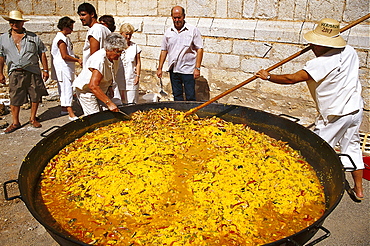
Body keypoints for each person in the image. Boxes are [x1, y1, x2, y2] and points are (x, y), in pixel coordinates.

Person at [255, 18, 365, 201]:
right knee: (352, 146)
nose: (312, 46)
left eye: (317, 44)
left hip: (335, 114)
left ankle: (304, 192)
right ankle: (359, 190)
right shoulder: (350, 51)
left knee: (314, 151)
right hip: (355, 109)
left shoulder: (321, 63)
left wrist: (268, 77)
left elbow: (292, 78)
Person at [0, 10, 49, 133]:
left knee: (35, 95)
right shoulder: (3, 38)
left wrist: (45, 69)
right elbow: (1, 57)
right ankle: (15, 122)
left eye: (17, 22)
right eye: (12, 22)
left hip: (32, 70)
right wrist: (0, 73)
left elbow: (42, 53)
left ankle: (33, 118)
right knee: (15, 97)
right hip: (15, 72)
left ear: (22, 22)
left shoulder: (33, 37)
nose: (14, 24)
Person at [77, 3, 122, 105]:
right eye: (80, 15)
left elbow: (94, 56)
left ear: (92, 14)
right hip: (103, 75)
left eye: (83, 15)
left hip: (95, 76)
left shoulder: (95, 30)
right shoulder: (104, 29)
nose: (81, 18)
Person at [156, 6, 203, 101]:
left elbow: (200, 49)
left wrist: (197, 68)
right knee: (177, 95)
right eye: (174, 18)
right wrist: (160, 68)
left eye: (179, 17)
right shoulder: (169, 32)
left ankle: (191, 115)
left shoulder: (192, 30)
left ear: (184, 16)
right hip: (174, 69)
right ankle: (179, 114)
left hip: (188, 69)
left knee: (190, 96)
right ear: (171, 17)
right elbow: (164, 50)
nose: (177, 20)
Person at [73, 33, 127, 116]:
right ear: (108, 49)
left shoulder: (115, 58)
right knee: (95, 116)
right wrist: (109, 103)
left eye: (121, 51)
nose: (119, 54)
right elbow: (93, 86)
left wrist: (110, 87)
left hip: (101, 89)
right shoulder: (99, 60)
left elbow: (110, 72)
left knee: (107, 114)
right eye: (117, 51)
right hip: (87, 91)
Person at [51, 16, 82, 121]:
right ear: (65, 27)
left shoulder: (64, 38)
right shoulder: (61, 39)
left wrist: (75, 57)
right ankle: (70, 113)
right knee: (66, 89)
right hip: (63, 68)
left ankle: (64, 108)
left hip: (66, 67)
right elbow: (64, 56)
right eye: (70, 27)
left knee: (64, 88)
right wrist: (77, 60)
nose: (72, 30)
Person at [119, 23, 142, 104]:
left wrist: (137, 76)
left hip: (131, 77)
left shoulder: (135, 47)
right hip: (119, 77)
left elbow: (138, 62)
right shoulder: (116, 47)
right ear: (121, 34)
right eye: (126, 34)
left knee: (131, 101)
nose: (128, 37)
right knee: (119, 101)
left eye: (130, 35)